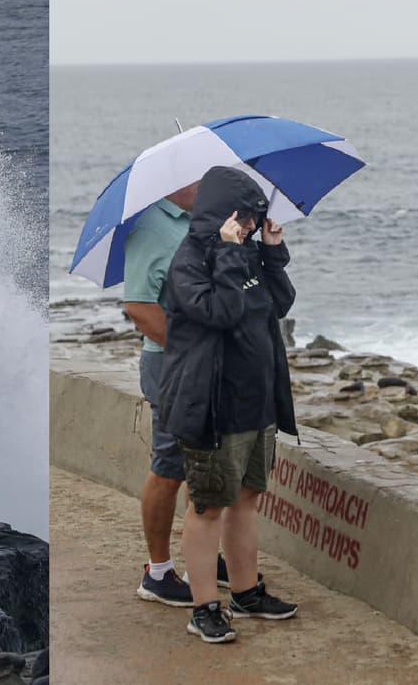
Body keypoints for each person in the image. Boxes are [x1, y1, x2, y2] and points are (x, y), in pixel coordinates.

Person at [158, 165, 300, 643]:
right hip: (213, 407)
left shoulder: (248, 252)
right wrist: (226, 251)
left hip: (257, 403)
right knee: (207, 507)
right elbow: (221, 311)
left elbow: (279, 304)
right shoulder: (191, 260)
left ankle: (246, 591)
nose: (252, 226)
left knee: (246, 500)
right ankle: (204, 606)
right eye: (246, 218)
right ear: (223, 216)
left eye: (257, 219)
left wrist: (272, 252)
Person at [124, 181, 264, 607]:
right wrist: (192, 348)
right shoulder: (152, 226)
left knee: (203, 458)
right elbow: (139, 306)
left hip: (206, 364)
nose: (206, 186)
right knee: (169, 465)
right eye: (199, 180)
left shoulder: (202, 224)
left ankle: (198, 560)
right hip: (170, 365)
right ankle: (158, 571)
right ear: (174, 182)